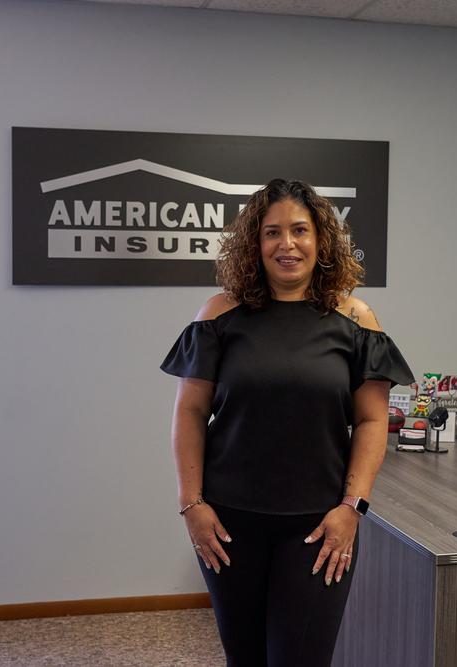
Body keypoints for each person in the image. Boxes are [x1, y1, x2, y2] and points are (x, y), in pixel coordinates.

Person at [161, 179, 412, 666]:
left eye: (300, 230)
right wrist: (190, 503)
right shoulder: (220, 315)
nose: (287, 244)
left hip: (319, 527)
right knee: (245, 658)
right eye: (272, 232)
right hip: (227, 522)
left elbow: (371, 421)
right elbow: (189, 412)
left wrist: (352, 508)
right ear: (255, 244)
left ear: (322, 241)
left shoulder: (357, 321)